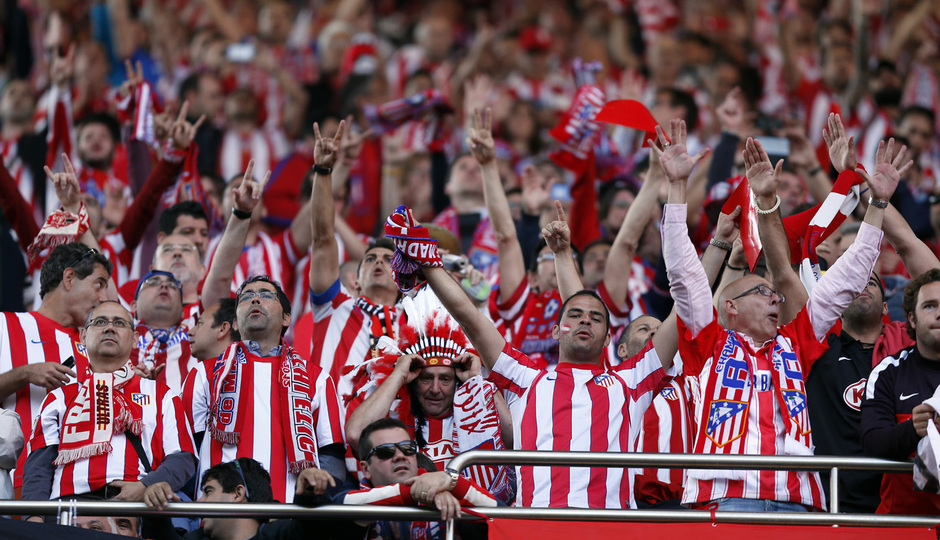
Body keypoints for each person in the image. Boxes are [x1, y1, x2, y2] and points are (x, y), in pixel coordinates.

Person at [385, 180, 683, 508]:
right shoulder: (527, 378)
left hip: (609, 529)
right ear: (555, 332)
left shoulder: (631, 380)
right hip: (536, 526)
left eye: (597, 319)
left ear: (609, 338)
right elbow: (470, 317)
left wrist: (681, 191)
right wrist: (427, 261)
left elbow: (685, 303)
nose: (586, 321)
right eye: (577, 316)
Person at [662, 121, 907, 511]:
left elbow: (848, 277)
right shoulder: (706, 342)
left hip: (799, 504)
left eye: (774, 293)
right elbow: (683, 275)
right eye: (761, 292)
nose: (775, 297)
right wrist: (676, 189)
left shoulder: (796, 340)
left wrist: (876, 206)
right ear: (730, 307)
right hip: (726, 502)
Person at [22, 301, 196, 507]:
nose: (110, 327)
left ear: (134, 340)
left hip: (134, 511)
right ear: (83, 337)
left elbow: (183, 458)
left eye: (120, 323)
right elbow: (39, 468)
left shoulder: (161, 394)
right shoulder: (58, 397)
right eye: (100, 321)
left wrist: (145, 486)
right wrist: (34, 517)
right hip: (67, 512)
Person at [192, 275, 346, 503]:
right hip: (219, 515)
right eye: (246, 297)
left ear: (286, 319)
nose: (255, 300)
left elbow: (331, 455)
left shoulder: (317, 378)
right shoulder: (204, 373)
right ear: (235, 323)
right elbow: (188, 450)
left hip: (289, 518)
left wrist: (312, 496)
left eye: (265, 295)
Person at [344, 300, 513, 504]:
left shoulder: (479, 417)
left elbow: (516, 439)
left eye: (445, 379)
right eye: (426, 378)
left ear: (457, 380)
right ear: (413, 380)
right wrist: (398, 375)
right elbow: (356, 434)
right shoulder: (395, 419)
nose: (435, 389)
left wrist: (478, 380)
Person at [0, 242, 111, 488]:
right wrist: (25, 374)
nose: (104, 297)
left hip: (83, 492)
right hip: (12, 487)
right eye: (99, 284)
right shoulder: (4, 326)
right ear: (69, 278)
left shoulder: (100, 345)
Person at [308, 120, 403, 400]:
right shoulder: (334, 308)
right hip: (330, 435)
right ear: (355, 281)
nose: (379, 262)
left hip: (393, 437)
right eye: (370, 258)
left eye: (388, 259)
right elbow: (323, 240)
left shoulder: (416, 320)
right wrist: (324, 172)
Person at [861, 268, 940, 514]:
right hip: (904, 522)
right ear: (912, 320)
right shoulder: (889, 371)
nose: (939, 314)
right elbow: (872, 442)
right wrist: (913, 430)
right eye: (929, 306)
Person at [343, 418, 496, 540]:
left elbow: (504, 516)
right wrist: (420, 491)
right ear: (365, 469)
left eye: (407, 448)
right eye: (385, 451)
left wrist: (453, 482)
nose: (400, 455)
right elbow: (340, 503)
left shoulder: (449, 490)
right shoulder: (354, 501)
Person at [142, 457, 358, 540]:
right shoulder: (196, 539)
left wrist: (310, 496)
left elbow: (318, 530)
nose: (198, 503)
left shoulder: (280, 536)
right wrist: (155, 502)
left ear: (238, 494)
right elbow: (163, 536)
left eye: (208, 491)